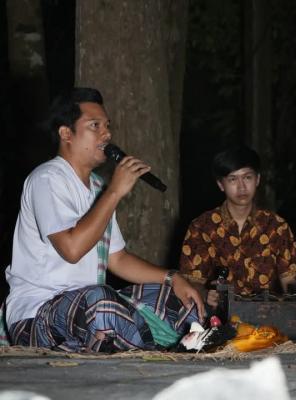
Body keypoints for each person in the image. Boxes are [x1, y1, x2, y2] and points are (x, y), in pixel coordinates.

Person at [5, 87, 204, 352]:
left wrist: (172, 278)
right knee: (103, 304)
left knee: (173, 296)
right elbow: (72, 249)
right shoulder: (47, 179)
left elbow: (117, 259)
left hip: (87, 311)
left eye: (107, 126)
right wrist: (115, 192)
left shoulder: (98, 187)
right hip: (37, 315)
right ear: (66, 134)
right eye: (94, 125)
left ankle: (177, 341)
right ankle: (155, 352)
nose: (107, 134)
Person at [179, 145, 296, 331]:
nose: (241, 187)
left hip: (269, 311)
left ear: (258, 179)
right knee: (194, 314)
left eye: (247, 177)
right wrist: (205, 294)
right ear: (221, 185)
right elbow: (192, 281)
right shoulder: (202, 226)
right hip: (223, 312)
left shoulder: (276, 225)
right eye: (233, 179)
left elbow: (290, 279)